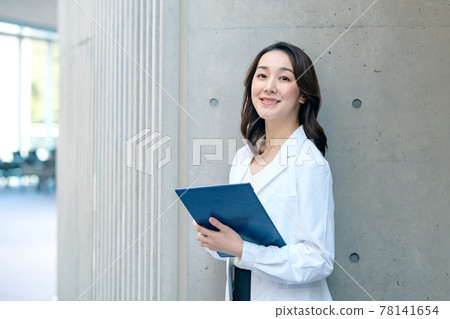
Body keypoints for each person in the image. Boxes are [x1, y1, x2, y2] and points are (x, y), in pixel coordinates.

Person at [193, 42, 335, 301]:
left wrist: (243, 250)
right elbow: (234, 247)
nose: (269, 86)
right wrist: (213, 237)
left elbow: (319, 259)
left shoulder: (310, 164)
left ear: (303, 95)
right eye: (262, 75)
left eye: (284, 78)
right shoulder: (243, 157)